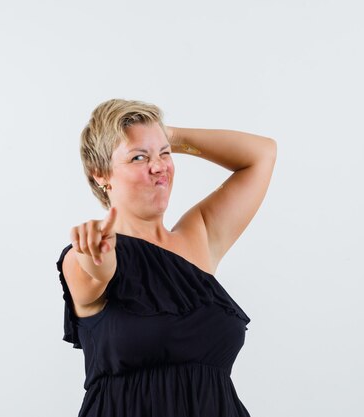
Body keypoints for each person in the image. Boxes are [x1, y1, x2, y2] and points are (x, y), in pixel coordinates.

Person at [56, 98, 276, 416]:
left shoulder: (198, 235)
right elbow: (94, 268)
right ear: (100, 174)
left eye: (164, 154)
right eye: (138, 157)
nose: (159, 166)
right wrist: (91, 250)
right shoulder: (89, 253)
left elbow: (262, 154)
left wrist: (167, 135)